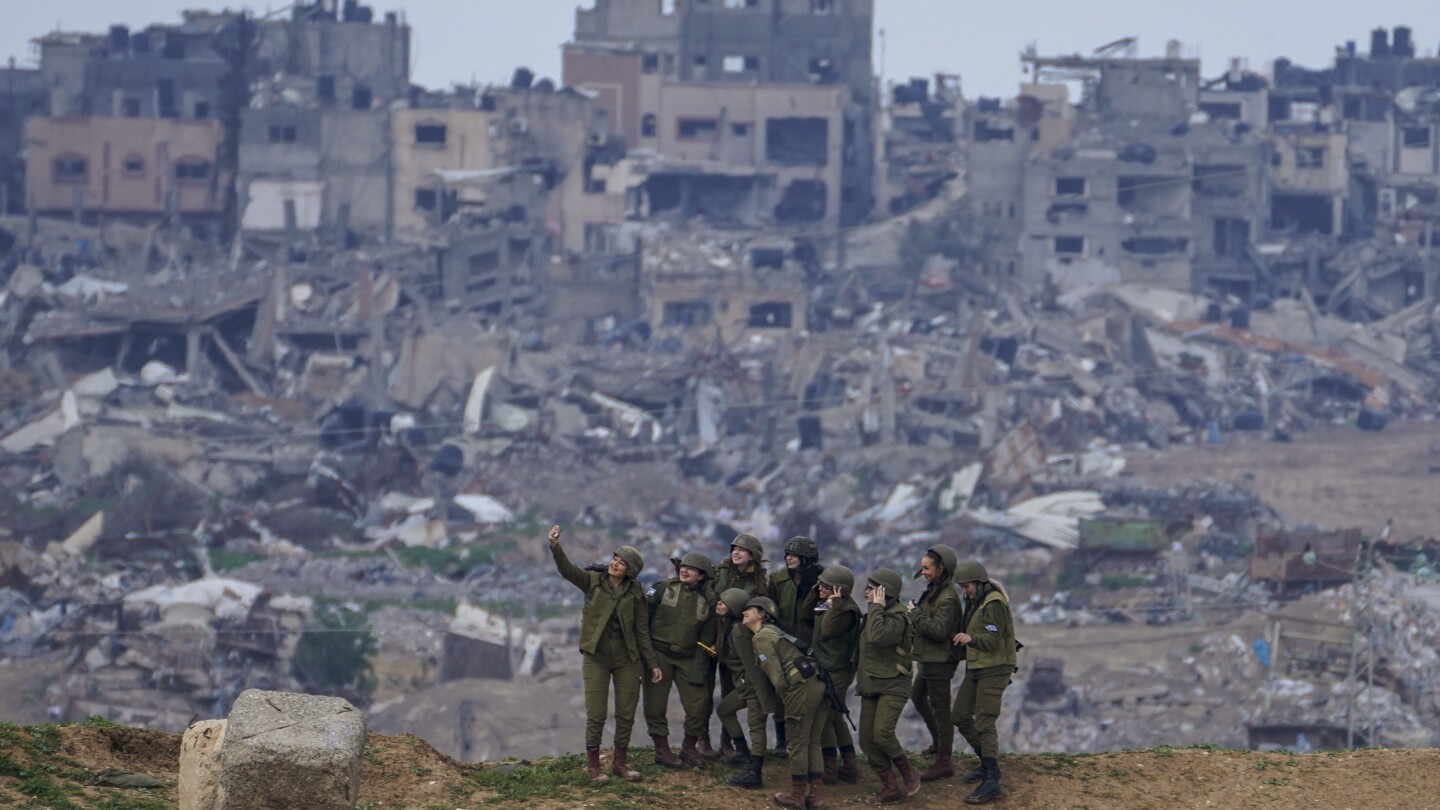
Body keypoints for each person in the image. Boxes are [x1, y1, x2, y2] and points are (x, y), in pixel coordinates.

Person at [547, 525, 662, 784]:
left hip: (627, 659)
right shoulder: (592, 581)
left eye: (622, 563)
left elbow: (642, 631)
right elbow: (567, 570)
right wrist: (555, 546)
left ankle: (620, 763)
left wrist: (652, 663)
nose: (615, 565)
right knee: (596, 713)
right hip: (596, 656)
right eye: (615, 559)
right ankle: (593, 767)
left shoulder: (636, 594)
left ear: (630, 571)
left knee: (626, 712)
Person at [744, 596, 829, 810]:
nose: (745, 612)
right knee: (812, 742)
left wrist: (786, 700)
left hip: (800, 685)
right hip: (818, 682)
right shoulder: (777, 633)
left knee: (797, 742)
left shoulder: (762, 636)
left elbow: (777, 678)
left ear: (762, 614)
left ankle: (797, 796)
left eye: (750, 609)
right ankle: (816, 797)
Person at [950, 560, 1017, 805]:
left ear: (977, 583)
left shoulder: (994, 604)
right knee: (959, 715)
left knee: (985, 722)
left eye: (966, 586)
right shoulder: (976, 602)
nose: (963, 590)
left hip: (995, 667)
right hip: (977, 667)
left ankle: (992, 780)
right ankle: (985, 760)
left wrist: (970, 638)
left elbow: (993, 641)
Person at [643, 551, 716, 768]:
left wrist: (699, 667)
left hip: (688, 657)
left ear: (701, 576)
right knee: (655, 706)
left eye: (691, 569)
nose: (685, 570)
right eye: (683, 566)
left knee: (698, 705)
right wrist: (647, 657)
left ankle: (688, 747)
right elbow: (643, 618)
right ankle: (662, 750)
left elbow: (707, 637)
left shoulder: (707, 602)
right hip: (659, 654)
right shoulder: (663, 588)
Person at [856, 568, 919, 805]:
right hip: (872, 682)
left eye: (872, 588)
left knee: (882, 733)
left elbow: (877, 636)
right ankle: (890, 786)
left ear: (885, 593)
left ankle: (908, 772)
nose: (866, 591)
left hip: (894, 683)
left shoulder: (898, 616)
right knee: (866, 740)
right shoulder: (875, 613)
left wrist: (876, 606)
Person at [711, 533, 770, 757]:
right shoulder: (722, 573)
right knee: (725, 696)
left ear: (752, 556)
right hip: (721, 635)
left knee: (740, 699)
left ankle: (743, 752)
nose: (736, 552)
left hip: (742, 638)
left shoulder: (760, 582)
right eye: (734, 548)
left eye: (742, 550)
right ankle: (728, 746)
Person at [712, 587, 777, 789]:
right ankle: (742, 752)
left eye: (724, 602)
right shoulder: (728, 626)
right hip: (745, 684)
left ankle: (755, 772)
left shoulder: (739, 631)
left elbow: (751, 665)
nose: (719, 604)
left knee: (756, 726)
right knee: (724, 710)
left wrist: (761, 695)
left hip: (751, 685)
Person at [908, 544, 963, 781]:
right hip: (928, 659)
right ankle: (939, 742)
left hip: (940, 661)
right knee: (917, 696)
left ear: (941, 569)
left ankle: (944, 760)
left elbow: (940, 631)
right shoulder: (934, 591)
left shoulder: (947, 598)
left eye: (927, 568)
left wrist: (915, 613)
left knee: (941, 711)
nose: (924, 573)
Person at [813, 564, 862, 786]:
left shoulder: (845, 611)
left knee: (824, 719)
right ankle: (850, 766)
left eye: (825, 585)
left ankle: (830, 770)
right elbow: (809, 612)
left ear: (838, 589)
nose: (819, 587)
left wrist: (836, 603)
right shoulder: (831, 604)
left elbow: (828, 629)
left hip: (837, 671)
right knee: (835, 718)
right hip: (829, 667)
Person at [769, 535, 823, 643]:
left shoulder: (821, 580)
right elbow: (769, 606)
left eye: (794, 555)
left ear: (806, 558)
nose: (789, 558)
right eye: (788, 554)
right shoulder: (778, 578)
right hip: (781, 633)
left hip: (812, 637)